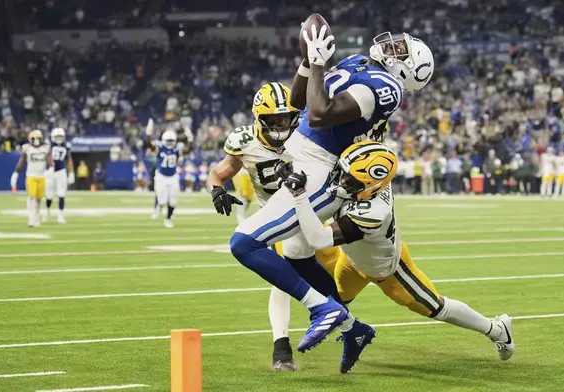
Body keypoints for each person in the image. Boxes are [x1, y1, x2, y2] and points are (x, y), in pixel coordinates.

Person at [227, 23, 435, 354]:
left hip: (318, 170)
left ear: (407, 70)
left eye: (402, 52)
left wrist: (321, 63)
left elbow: (321, 115)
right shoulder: (359, 63)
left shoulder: (387, 86)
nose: (395, 47)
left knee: (243, 244)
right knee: (296, 255)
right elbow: (298, 101)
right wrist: (309, 62)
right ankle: (353, 329)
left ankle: (323, 308)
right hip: (301, 159)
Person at [283, 141, 515, 372]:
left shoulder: (374, 212)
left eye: (350, 180)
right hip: (351, 260)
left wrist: (299, 195)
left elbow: (320, 239)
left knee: (435, 307)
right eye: (344, 174)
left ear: (372, 185)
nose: (342, 181)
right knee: (335, 304)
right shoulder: (370, 179)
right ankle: (355, 336)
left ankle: (496, 329)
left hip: (387, 269)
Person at [208, 82, 345, 370]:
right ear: (260, 119)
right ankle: (281, 347)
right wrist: (216, 190)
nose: (283, 125)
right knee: (282, 280)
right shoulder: (245, 141)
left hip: (310, 212)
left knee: (326, 279)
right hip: (274, 217)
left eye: (286, 118)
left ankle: (342, 319)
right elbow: (219, 172)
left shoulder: (305, 140)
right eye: (275, 120)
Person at [147, 121, 193, 228]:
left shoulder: (177, 148)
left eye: (171, 140)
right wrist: (148, 134)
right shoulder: (160, 147)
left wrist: (190, 140)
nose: (169, 142)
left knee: (173, 199)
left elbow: (188, 150)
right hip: (161, 175)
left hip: (173, 176)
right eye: (168, 140)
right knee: (161, 197)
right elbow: (150, 145)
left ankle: (168, 218)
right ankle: (157, 208)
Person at [10, 129, 52, 227]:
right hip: (31, 176)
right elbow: (22, 161)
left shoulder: (45, 148)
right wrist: (16, 172)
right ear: (30, 139)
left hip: (42, 176)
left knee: (38, 199)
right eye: (34, 138)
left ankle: (36, 217)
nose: (36, 140)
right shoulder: (27, 148)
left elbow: (49, 160)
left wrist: (51, 168)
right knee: (31, 197)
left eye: (38, 138)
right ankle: (31, 218)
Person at [44, 127, 75, 224]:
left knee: (61, 194)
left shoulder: (66, 145)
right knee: (49, 195)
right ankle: (48, 212)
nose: (58, 139)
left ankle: (60, 216)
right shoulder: (49, 144)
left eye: (60, 137)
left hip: (61, 172)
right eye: (57, 137)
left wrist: (71, 172)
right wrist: (51, 166)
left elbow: (69, 159)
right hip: (51, 172)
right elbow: (48, 155)